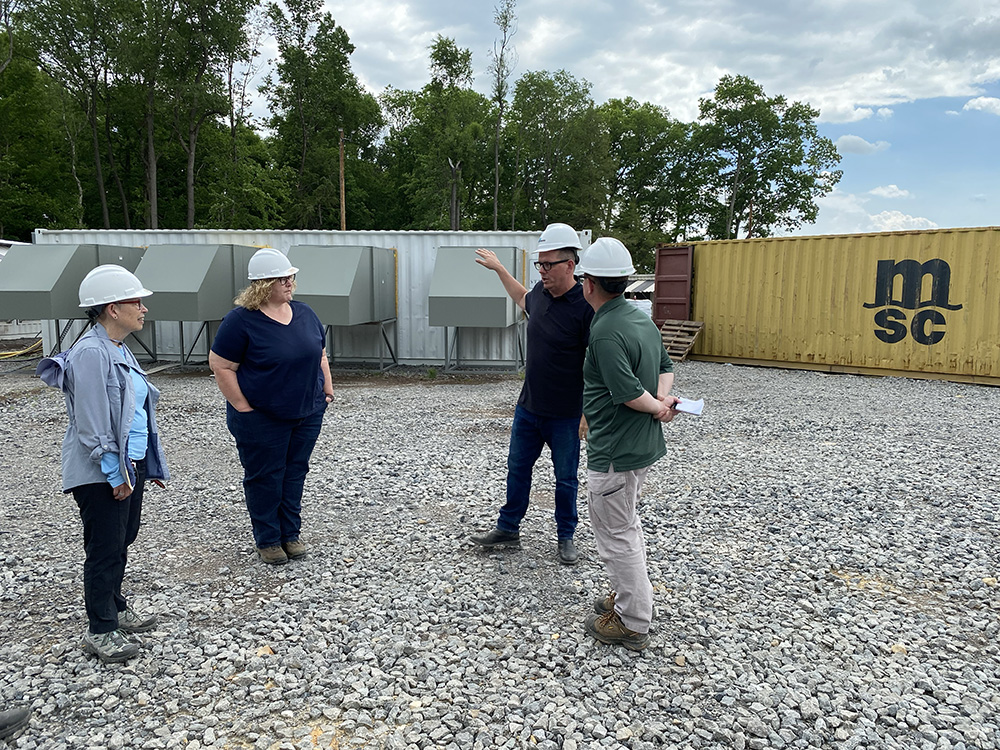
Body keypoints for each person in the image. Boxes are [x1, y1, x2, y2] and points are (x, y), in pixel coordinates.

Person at [36, 265, 170, 664]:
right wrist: (116, 473)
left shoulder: (117, 346)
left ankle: (114, 603)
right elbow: (93, 424)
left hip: (129, 465)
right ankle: (101, 629)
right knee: (105, 547)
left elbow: (135, 410)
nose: (144, 308)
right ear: (113, 308)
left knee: (123, 537)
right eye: (136, 302)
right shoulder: (92, 352)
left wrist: (148, 465)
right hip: (103, 472)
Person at [470, 223, 594, 565]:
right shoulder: (539, 293)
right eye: (539, 264)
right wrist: (500, 270)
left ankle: (566, 536)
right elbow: (521, 296)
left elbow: (595, 363)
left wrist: (586, 411)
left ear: (570, 265)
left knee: (566, 479)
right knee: (517, 470)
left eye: (548, 264)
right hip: (529, 408)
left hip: (566, 414)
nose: (542, 271)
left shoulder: (585, 306)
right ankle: (508, 529)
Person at [576, 238, 679, 651]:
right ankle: (629, 597)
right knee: (626, 524)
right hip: (639, 446)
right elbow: (665, 367)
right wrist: (664, 403)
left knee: (616, 532)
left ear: (589, 283)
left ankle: (634, 620)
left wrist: (655, 407)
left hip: (615, 449)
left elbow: (627, 393)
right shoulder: (641, 320)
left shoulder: (604, 330)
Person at [209, 247, 334, 566]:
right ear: (263, 285)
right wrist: (242, 406)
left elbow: (319, 354)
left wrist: (327, 388)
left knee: (295, 472)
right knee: (265, 476)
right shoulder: (240, 321)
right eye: (283, 278)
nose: (290, 282)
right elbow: (221, 366)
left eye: (291, 277)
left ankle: (290, 535)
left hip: (307, 412)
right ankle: (268, 539)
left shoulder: (305, 313)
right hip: (261, 417)